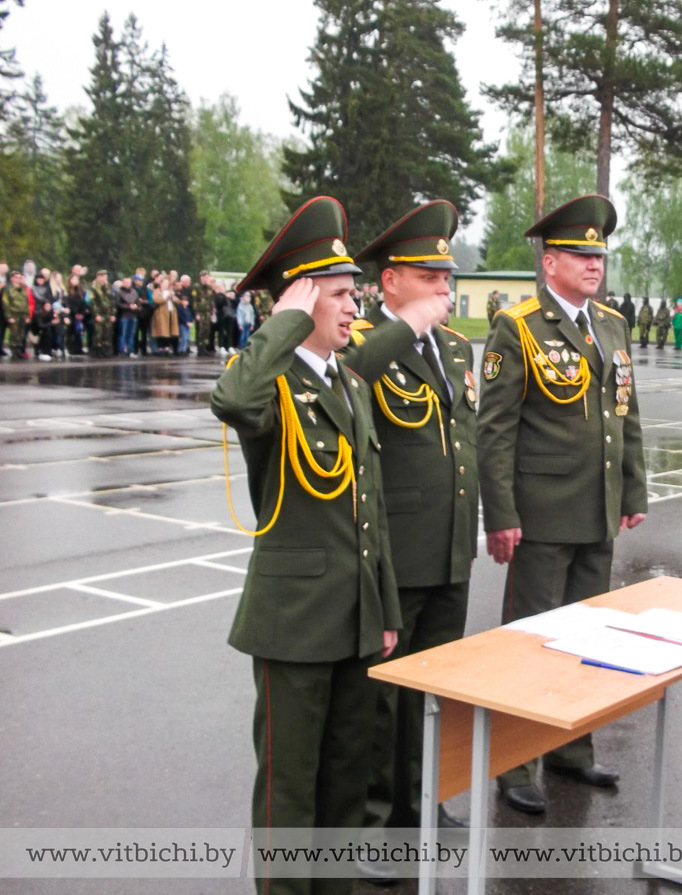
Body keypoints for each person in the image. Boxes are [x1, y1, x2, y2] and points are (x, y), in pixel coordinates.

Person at [210, 196, 417, 895]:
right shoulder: (273, 386)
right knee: (289, 795)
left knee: (343, 788)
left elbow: (373, 512)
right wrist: (282, 323)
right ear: (299, 303)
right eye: (338, 295)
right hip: (294, 623)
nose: (355, 306)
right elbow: (231, 398)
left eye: (355, 292)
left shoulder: (350, 385)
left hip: (355, 619)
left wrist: (386, 608)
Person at [478, 194, 648, 815]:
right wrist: (500, 513)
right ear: (550, 263)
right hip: (542, 515)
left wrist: (633, 488)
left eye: (599, 253)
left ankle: (571, 751)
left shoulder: (611, 325)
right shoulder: (517, 326)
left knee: (587, 635)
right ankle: (515, 762)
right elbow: (493, 429)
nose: (593, 263)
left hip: (597, 509)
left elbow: (625, 413)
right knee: (531, 640)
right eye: (580, 254)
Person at [339, 200, 478, 854]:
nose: (443, 290)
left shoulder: (454, 346)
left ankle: (423, 802)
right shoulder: (361, 339)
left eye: (446, 278)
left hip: (449, 546)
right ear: (391, 280)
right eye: (429, 278)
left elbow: (465, 438)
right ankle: (374, 822)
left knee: (434, 686)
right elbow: (346, 379)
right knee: (383, 700)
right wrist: (407, 325)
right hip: (396, 552)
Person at [3, 270, 32, 359]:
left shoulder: (23, 288)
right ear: (11, 278)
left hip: (23, 314)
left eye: (19, 278)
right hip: (14, 314)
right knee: (14, 334)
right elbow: (6, 303)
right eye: (16, 277)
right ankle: (14, 352)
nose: (18, 279)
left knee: (21, 334)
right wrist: (9, 316)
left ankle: (19, 351)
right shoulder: (7, 289)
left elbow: (27, 302)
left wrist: (28, 315)